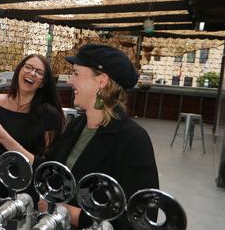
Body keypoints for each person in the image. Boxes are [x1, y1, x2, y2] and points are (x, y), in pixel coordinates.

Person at [33, 44, 159, 229]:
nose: (70, 81)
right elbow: (50, 170)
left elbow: (142, 219)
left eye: (76, 73)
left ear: (101, 81)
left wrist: (70, 213)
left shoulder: (134, 140)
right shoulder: (78, 124)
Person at [0, 54, 65, 198]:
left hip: (25, 191)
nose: (31, 73)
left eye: (39, 72)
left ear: (43, 83)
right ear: (19, 71)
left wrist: (6, 139)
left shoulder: (49, 114)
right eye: (28, 67)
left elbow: (48, 165)